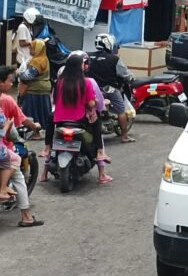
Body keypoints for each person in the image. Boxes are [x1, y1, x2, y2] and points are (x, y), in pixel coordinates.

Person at [52, 53, 111, 184]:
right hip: (79, 120)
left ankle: (46, 161)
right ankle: (100, 153)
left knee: (52, 139)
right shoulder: (86, 82)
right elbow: (91, 104)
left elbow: (54, 100)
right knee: (97, 125)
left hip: (60, 120)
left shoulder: (59, 83)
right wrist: (95, 101)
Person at [0, 67, 44, 226]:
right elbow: (22, 119)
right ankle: (26, 217)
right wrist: (35, 127)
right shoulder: (6, 100)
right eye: (10, 81)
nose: (12, 84)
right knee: (17, 172)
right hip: (4, 147)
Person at [87, 33, 135, 144]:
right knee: (121, 110)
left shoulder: (88, 56)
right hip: (110, 89)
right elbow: (125, 74)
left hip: (92, 89)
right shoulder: (114, 59)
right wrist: (131, 78)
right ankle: (124, 136)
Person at [17, 39, 50, 142]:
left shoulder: (38, 60)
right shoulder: (44, 58)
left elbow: (28, 76)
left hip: (35, 90)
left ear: (38, 49)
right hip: (42, 89)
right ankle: (37, 132)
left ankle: (36, 132)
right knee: (41, 112)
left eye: (32, 47)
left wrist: (17, 73)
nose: (30, 48)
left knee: (31, 112)